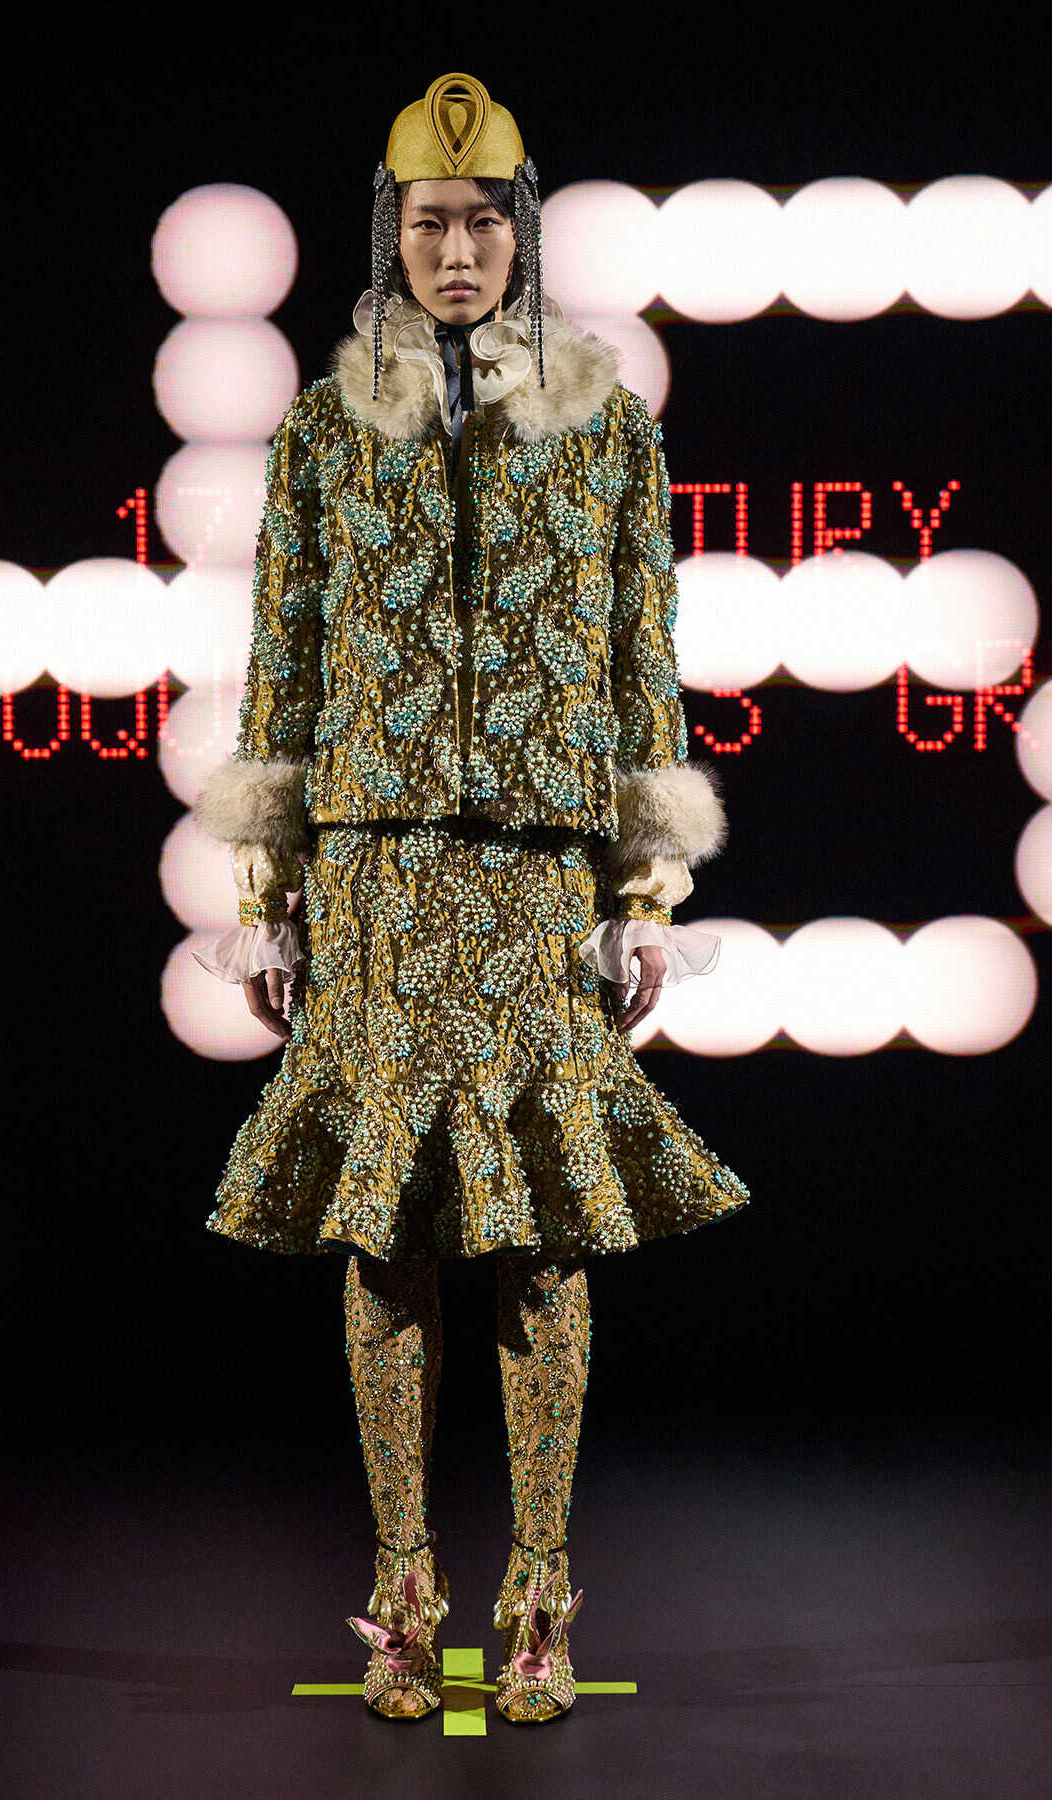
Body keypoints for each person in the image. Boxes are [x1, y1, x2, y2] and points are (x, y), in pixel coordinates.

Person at [191, 72, 749, 1725]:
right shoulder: (324, 426)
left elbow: (645, 663)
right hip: (375, 873)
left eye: (482, 223)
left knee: (545, 1236)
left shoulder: (606, 427)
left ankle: (540, 1595)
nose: (456, 252)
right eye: (430, 223)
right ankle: (401, 1590)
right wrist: (267, 884)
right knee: (383, 1239)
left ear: (523, 232)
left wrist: (646, 885)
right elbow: (282, 660)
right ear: (393, 230)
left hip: (531, 879)